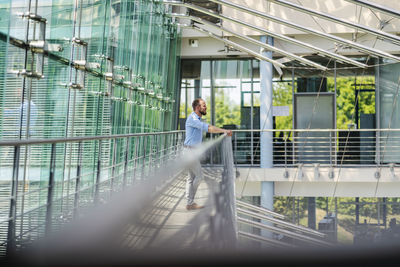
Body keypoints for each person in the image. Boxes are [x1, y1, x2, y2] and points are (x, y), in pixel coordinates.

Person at [184, 98, 232, 210]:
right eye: (203, 105)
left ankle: (189, 202)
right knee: (200, 176)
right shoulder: (193, 119)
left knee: (191, 178)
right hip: (189, 152)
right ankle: (190, 202)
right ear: (197, 107)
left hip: (191, 151)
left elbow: (209, 126)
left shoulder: (198, 119)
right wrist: (224, 131)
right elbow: (209, 129)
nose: (206, 107)